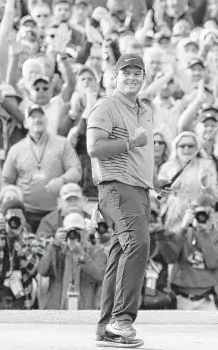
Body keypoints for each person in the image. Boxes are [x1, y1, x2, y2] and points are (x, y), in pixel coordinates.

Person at [86, 53, 171, 347]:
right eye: (126, 73)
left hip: (139, 190)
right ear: (114, 76)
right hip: (115, 188)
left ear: (143, 78)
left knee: (121, 254)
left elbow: (141, 156)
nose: (132, 78)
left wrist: (154, 180)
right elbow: (94, 147)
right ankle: (122, 320)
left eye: (138, 73)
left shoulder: (144, 110)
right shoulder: (105, 105)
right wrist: (130, 142)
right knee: (139, 243)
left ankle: (106, 328)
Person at [2, 104, 82, 232]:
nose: (37, 120)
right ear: (25, 123)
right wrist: (11, 196)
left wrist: (62, 180)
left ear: (46, 120)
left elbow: (76, 171)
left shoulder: (62, 144)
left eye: (40, 116)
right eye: (32, 117)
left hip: (55, 213)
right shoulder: (16, 150)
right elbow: (6, 180)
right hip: (26, 213)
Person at [161, 195, 218, 310]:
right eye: (198, 212)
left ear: (213, 214)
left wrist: (203, 234)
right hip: (180, 299)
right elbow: (170, 257)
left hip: (207, 299)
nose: (202, 216)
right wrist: (183, 228)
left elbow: (213, 262)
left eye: (207, 213)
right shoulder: (181, 233)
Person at [0, 200, 46, 310]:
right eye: (11, 219)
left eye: (18, 219)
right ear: (4, 220)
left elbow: (34, 269)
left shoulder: (33, 240)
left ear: (24, 220)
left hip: (21, 297)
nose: (14, 222)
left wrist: (19, 241)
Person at [37, 212, 107, 310]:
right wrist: (54, 245)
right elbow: (42, 270)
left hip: (84, 310)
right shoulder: (58, 250)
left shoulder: (96, 252)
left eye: (78, 230)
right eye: (69, 231)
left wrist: (82, 256)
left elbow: (100, 276)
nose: (74, 234)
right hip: (58, 309)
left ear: (86, 232)